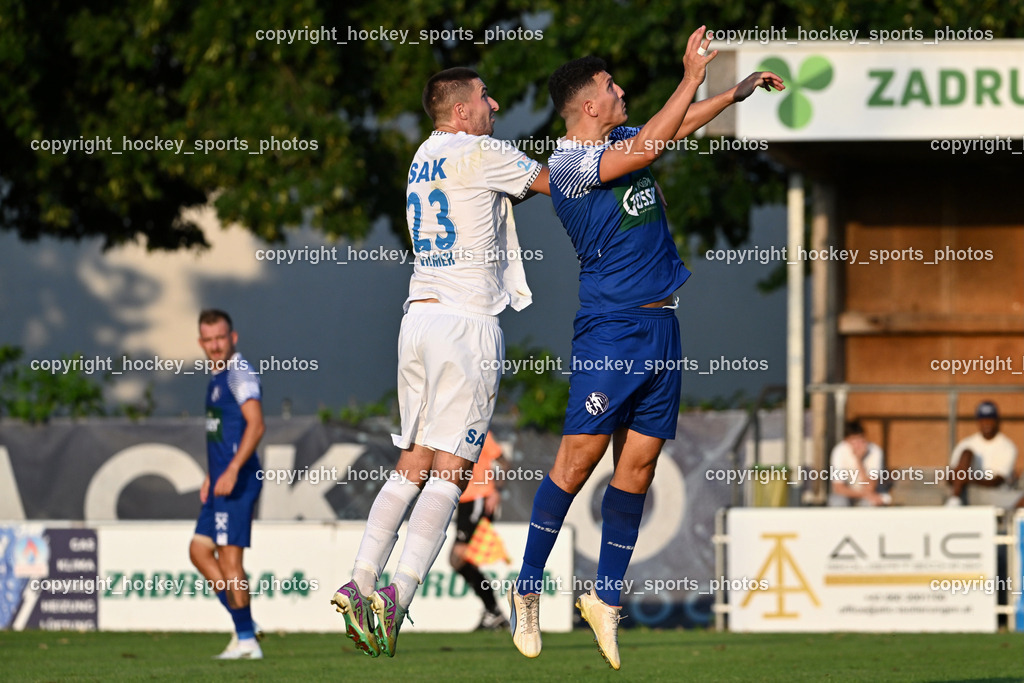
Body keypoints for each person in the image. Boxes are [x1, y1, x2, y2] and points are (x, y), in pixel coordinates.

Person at [507, 27, 784, 670]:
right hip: (612, 328)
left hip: (662, 327)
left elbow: (675, 129)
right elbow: (654, 143)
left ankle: (604, 598)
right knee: (578, 462)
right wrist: (691, 74)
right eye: (610, 85)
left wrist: (733, 93)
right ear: (588, 106)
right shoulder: (569, 164)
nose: (620, 90)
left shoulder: (617, 140)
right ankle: (526, 586)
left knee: (639, 469)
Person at [331, 67, 549, 658]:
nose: (494, 104)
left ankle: (361, 578)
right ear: (460, 112)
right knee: (450, 473)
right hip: (465, 324)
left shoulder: (423, 155)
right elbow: (562, 182)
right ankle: (397, 598)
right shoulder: (481, 151)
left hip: (418, 316)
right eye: (484, 97)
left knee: (412, 462)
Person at [188, 309, 266, 660]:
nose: (215, 345)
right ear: (201, 343)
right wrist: (211, 473)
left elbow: (256, 424)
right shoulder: (216, 378)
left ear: (232, 338)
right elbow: (223, 433)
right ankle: (243, 623)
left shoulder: (238, 374)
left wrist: (233, 469)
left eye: (221, 338)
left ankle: (247, 639)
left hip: (238, 481)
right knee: (200, 551)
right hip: (220, 482)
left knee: (229, 559)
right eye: (209, 339)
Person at [451, 431, 511, 630]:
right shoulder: (450, 428)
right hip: (464, 500)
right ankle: (493, 612)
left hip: (479, 498)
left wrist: (497, 492)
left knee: (459, 556)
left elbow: (504, 463)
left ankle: (493, 611)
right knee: (460, 560)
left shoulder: (479, 431)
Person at [947, 401, 1020, 509]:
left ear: (997, 421)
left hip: (995, 494)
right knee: (966, 453)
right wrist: (962, 480)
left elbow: (997, 481)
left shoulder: (1007, 446)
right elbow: (951, 475)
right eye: (983, 419)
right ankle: (954, 500)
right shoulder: (967, 443)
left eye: (990, 419)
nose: (986, 423)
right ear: (978, 421)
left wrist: (969, 480)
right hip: (968, 492)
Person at [827, 420, 890, 507]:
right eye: (854, 441)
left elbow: (870, 486)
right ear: (847, 441)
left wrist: (858, 461)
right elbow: (838, 488)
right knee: (837, 501)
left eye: (860, 439)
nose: (858, 445)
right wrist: (864, 494)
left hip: (870, 494)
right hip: (851, 494)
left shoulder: (875, 451)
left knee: (869, 504)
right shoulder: (839, 451)